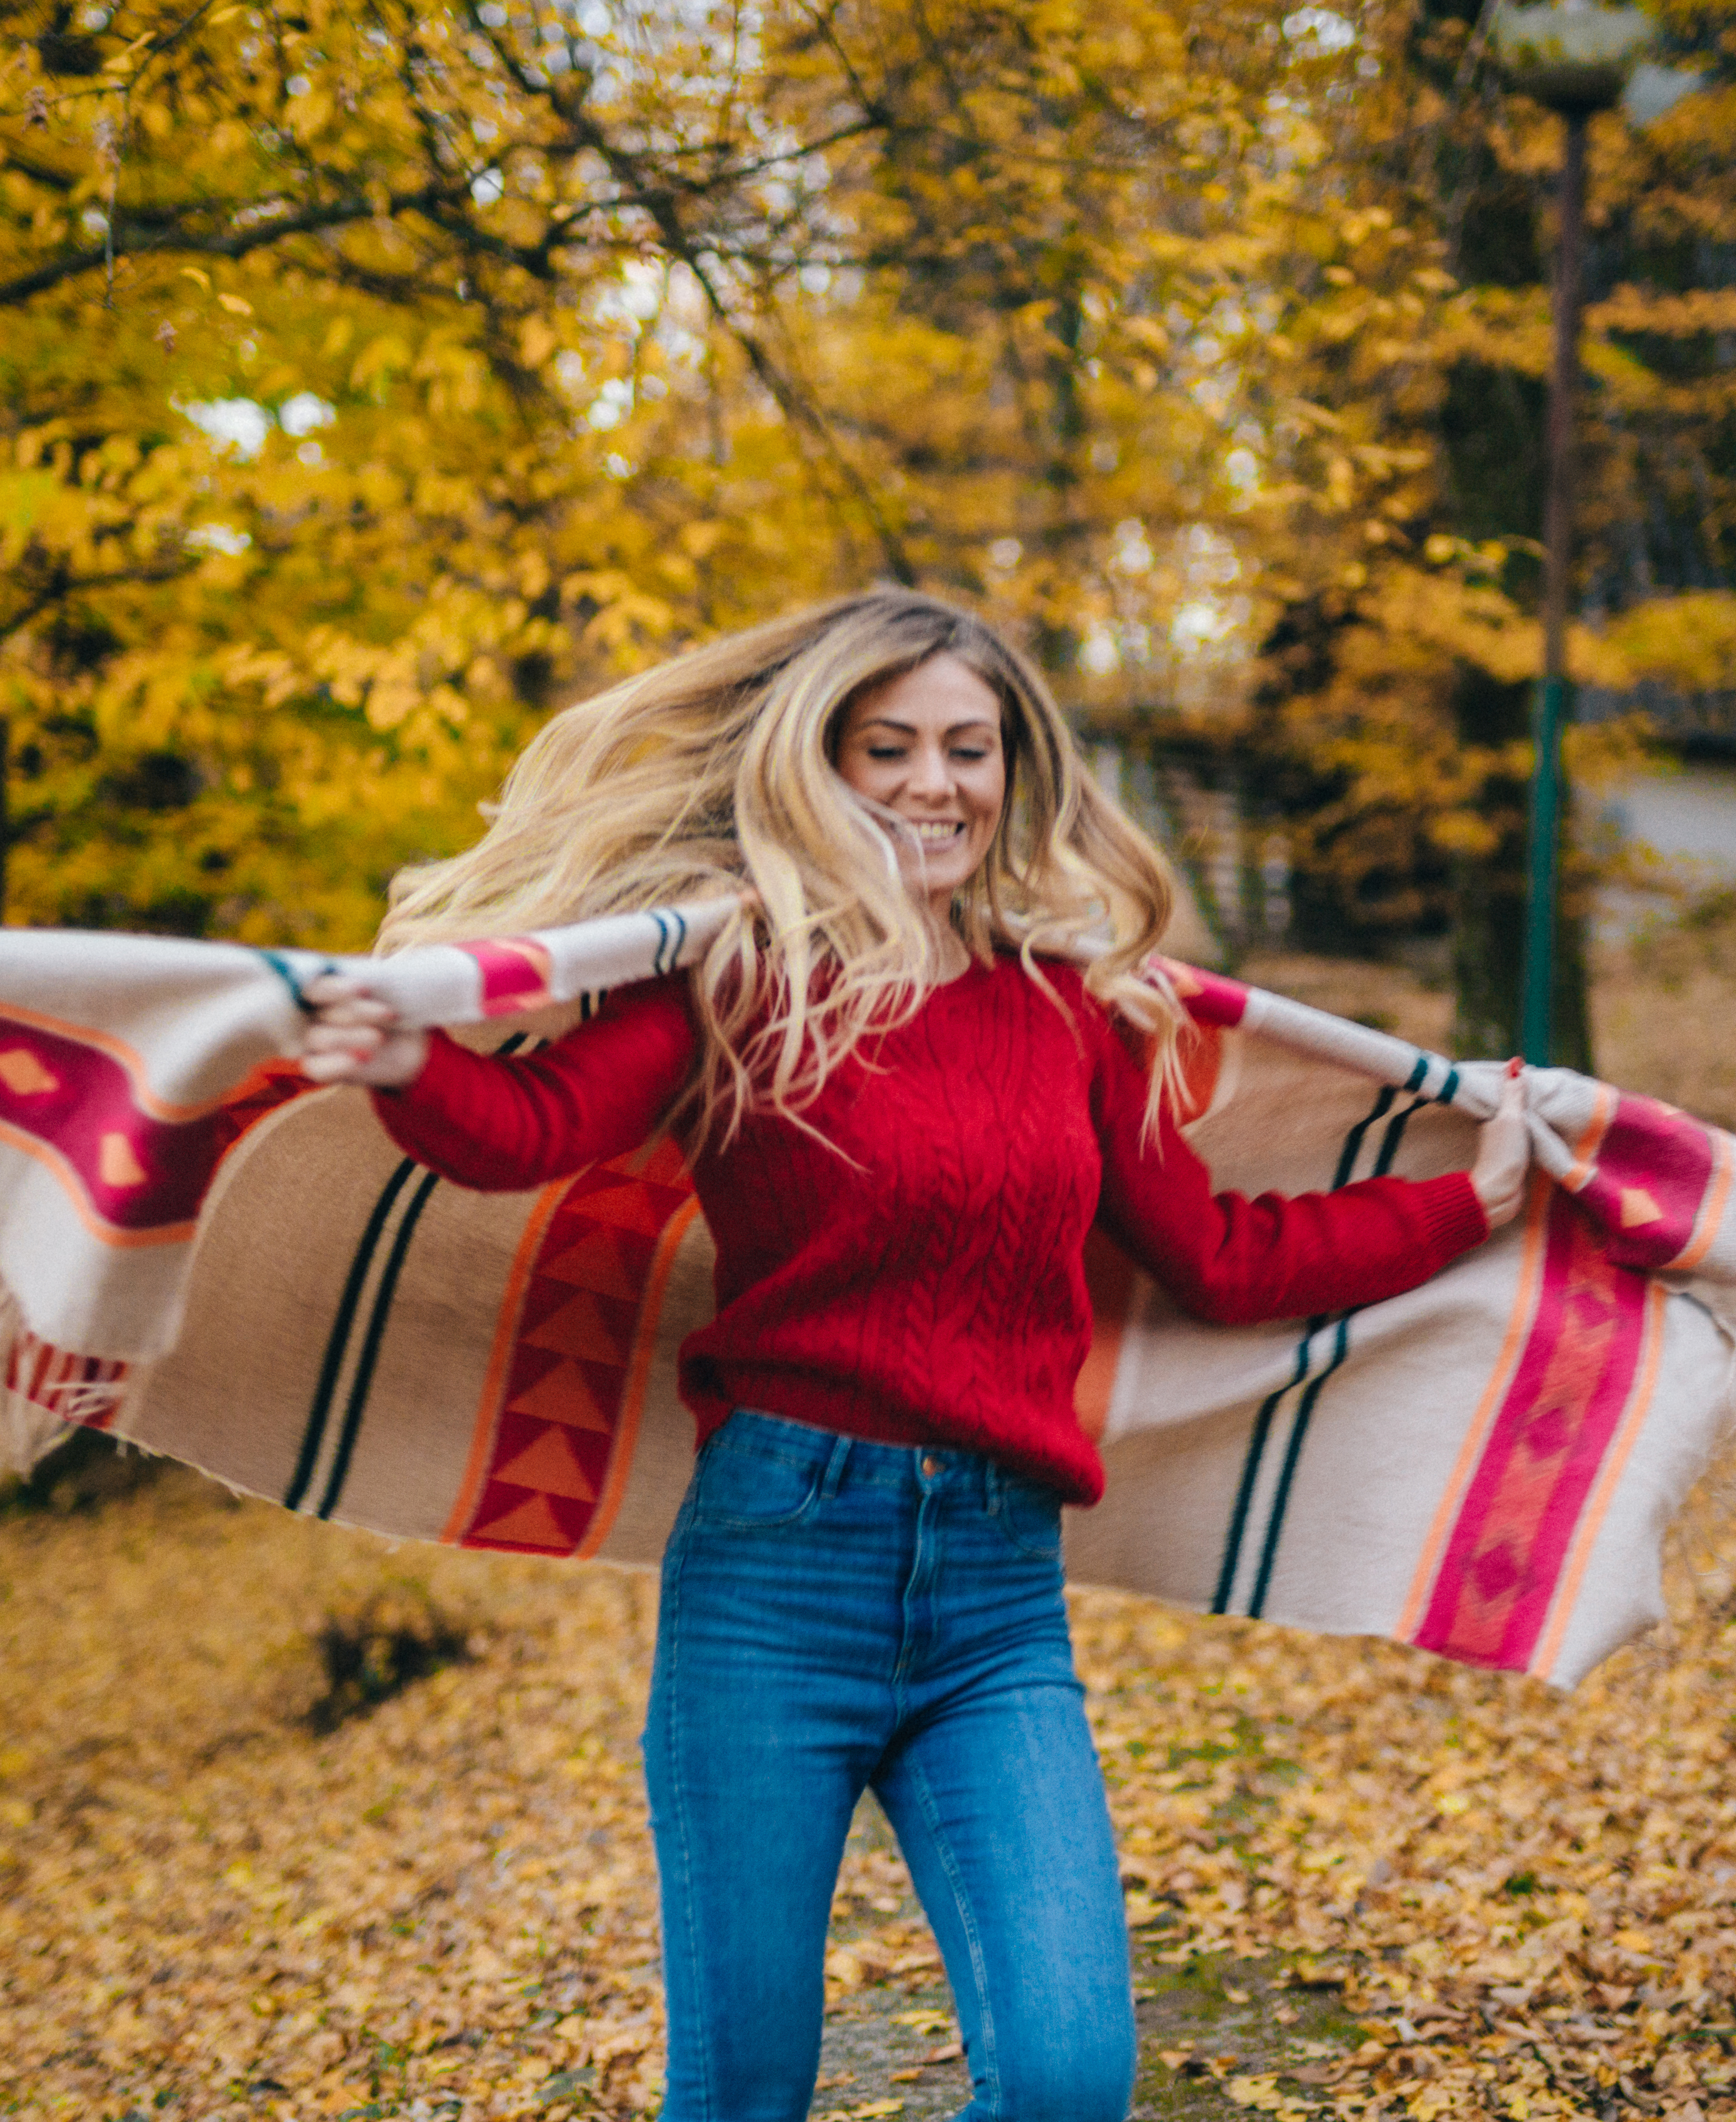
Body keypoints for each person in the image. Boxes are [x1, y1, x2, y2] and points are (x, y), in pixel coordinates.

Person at [297, 587, 1530, 2122]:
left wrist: (1465, 1203)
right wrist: (406, 1054)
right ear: (821, 766)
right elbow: (529, 1131)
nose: (935, 784)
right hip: (777, 1575)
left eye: (971, 747)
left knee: (1071, 2081)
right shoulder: (737, 973)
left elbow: (1219, 1259)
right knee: (745, 2093)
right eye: (889, 748)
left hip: (999, 1604)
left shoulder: (1072, 1010)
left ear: (1019, 771)